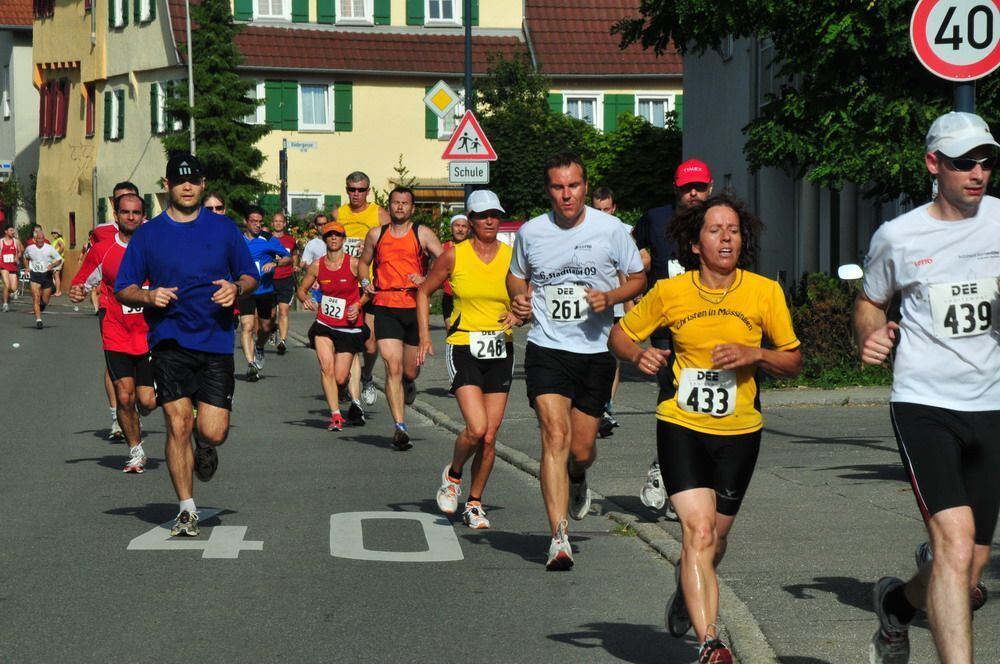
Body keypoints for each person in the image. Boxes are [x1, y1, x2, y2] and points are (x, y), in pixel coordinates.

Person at [609, 193, 801, 663]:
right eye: (715, 230)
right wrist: (638, 355)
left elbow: (793, 360)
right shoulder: (670, 292)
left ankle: (684, 591)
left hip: (740, 431)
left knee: (713, 541)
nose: (725, 238)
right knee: (696, 532)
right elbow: (619, 335)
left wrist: (756, 354)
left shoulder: (763, 292)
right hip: (682, 424)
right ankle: (711, 642)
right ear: (695, 243)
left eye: (733, 230)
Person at [854, 112, 1000, 664]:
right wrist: (871, 337)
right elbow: (870, 302)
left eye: (987, 161)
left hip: (993, 402)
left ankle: (896, 605)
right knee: (955, 541)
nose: (979, 173)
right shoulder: (899, 236)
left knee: (970, 563)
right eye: (965, 162)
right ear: (933, 164)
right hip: (925, 403)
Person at [506, 150, 645, 570]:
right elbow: (516, 275)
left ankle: (579, 476)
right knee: (554, 436)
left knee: (581, 450)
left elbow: (638, 277)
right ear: (548, 190)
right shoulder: (532, 232)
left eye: (573, 186)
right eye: (557, 187)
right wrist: (519, 295)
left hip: (596, 352)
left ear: (585, 186)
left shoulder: (612, 230)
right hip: (547, 348)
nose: (566, 195)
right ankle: (558, 536)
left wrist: (612, 296)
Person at [115, 153, 258, 538]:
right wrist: (149, 296)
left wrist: (237, 288)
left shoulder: (224, 229)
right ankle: (186, 509)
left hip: (214, 341)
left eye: (193, 180)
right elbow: (124, 286)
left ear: (203, 183)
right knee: (176, 423)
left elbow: (250, 275)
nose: (187, 186)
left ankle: (205, 445)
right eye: (180, 182)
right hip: (169, 342)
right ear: (167, 186)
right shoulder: (148, 234)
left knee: (213, 431)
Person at [418, 191, 518, 530]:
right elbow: (422, 292)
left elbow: (525, 297)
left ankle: (475, 503)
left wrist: (521, 313)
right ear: (470, 220)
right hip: (463, 346)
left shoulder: (512, 257)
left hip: (501, 348)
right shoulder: (453, 256)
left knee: (490, 436)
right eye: (482, 215)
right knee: (476, 428)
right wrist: (424, 336)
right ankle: (453, 475)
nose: (490, 220)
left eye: (495, 214)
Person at [635, 159, 714, 520]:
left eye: (699, 187)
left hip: (711, 326)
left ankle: (675, 474)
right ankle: (664, 470)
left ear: (710, 188)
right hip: (667, 328)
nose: (693, 194)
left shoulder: (720, 220)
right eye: (686, 188)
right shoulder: (655, 218)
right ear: (676, 189)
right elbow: (633, 253)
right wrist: (638, 275)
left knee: (703, 404)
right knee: (673, 398)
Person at [69, 192, 157, 472]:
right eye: (125, 212)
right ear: (116, 215)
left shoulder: (155, 249)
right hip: (116, 332)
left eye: (136, 212)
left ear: (143, 216)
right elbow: (81, 283)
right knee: (125, 396)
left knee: (148, 402)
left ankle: (138, 417)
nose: (130, 217)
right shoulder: (102, 250)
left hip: (150, 333)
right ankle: (136, 451)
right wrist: (76, 292)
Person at [358, 186, 444, 450]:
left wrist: (428, 280)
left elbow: (447, 264)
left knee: (408, 369)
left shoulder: (422, 233)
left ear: (412, 208)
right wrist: (364, 281)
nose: (399, 207)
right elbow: (363, 262)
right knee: (391, 366)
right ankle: (400, 426)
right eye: (395, 203)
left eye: (405, 203)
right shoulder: (376, 234)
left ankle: (409, 382)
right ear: (390, 205)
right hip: (385, 304)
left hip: (414, 306)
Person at [296, 221, 368, 430]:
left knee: (340, 377)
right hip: (324, 324)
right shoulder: (317, 265)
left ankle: (351, 393)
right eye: (329, 235)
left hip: (349, 326)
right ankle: (336, 416)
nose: (333, 238)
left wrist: (358, 304)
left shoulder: (354, 264)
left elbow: (369, 290)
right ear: (324, 239)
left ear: (344, 239)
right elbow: (301, 289)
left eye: (337, 235)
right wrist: (305, 298)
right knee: (326, 368)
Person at [338, 172, 390, 408]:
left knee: (370, 343)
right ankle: (347, 382)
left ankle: (366, 376)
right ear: (346, 190)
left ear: (368, 191)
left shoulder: (379, 214)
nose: (356, 194)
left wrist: (370, 246)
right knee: (346, 340)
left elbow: (392, 245)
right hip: (344, 286)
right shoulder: (338, 214)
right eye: (351, 189)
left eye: (360, 190)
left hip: (369, 286)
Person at [590, 186, 639, 438]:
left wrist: (630, 306)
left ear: (614, 208)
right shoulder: (584, 229)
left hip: (618, 304)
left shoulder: (624, 231)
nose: (603, 214)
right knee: (594, 355)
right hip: (592, 305)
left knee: (613, 357)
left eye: (607, 209)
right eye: (598, 210)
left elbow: (632, 269)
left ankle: (606, 406)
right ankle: (594, 407)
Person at [238, 205, 291, 382]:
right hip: (245, 290)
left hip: (265, 290)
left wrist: (275, 264)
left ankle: (259, 346)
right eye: (253, 221)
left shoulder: (268, 239)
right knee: (247, 326)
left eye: (260, 222)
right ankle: (251, 364)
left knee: (266, 328)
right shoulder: (237, 239)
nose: (257, 225)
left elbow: (287, 258)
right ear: (246, 222)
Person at [270, 211, 298, 355]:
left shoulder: (290, 240)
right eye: (276, 221)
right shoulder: (266, 239)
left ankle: (282, 340)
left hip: (286, 279)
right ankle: (271, 329)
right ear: (272, 223)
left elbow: (294, 255)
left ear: (284, 223)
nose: (278, 223)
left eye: (281, 221)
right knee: (271, 313)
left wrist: (296, 265)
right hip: (270, 279)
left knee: (284, 311)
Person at [23, 227, 63, 329]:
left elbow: (59, 260)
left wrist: (52, 265)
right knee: (36, 298)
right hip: (35, 275)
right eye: (38, 239)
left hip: (47, 275)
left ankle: (41, 308)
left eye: (42, 239)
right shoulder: (30, 248)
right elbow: (25, 257)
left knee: (44, 301)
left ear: (44, 239)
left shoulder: (49, 248)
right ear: (35, 240)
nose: (40, 241)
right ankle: (39, 320)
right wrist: (27, 267)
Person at [440, 213, 470, 328]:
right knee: (451, 331)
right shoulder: (442, 248)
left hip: (468, 297)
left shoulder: (474, 248)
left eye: (464, 226)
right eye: (457, 226)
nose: (460, 229)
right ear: (451, 229)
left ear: (468, 230)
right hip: (449, 297)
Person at [1, 224, 24, 312]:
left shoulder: (16, 241)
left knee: (13, 288)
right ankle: (5, 304)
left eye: (13, 230)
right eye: (11, 230)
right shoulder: (1, 241)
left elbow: (20, 251)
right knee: (6, 285)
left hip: (12, 265)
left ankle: (8, 294)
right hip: (3, 265)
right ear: (6, 231)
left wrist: (17, 257)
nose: (13, 232)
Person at [50, 229, 66, 296]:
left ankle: (58, 292)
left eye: (55, 233)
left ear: (58, 234)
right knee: (54, 275)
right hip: (55, 260)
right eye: (52, 233)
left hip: (58, 260)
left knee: (56, 275)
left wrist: (57, 255)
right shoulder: (55, 240)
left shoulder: (59, 240)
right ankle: (56, 291)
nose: (53, 234)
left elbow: (62, 247)